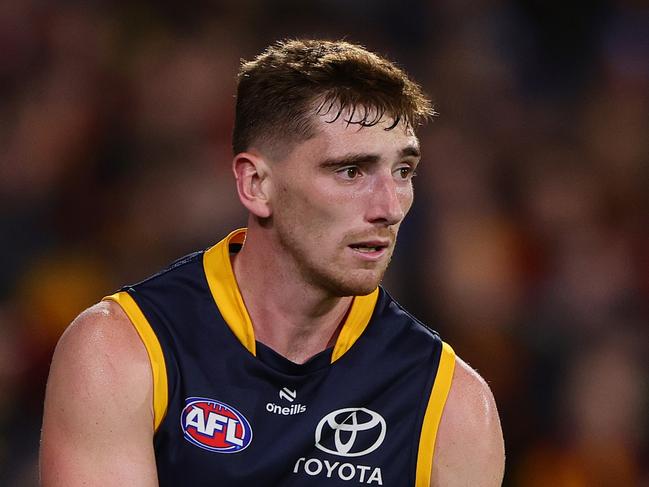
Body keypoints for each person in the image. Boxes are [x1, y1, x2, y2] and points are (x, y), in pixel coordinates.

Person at [40, 39, 505, 486]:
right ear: (256, 184)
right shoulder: (123, 351)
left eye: (403, 172)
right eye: (350, 171)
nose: (390, 206)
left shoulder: (449, 405)